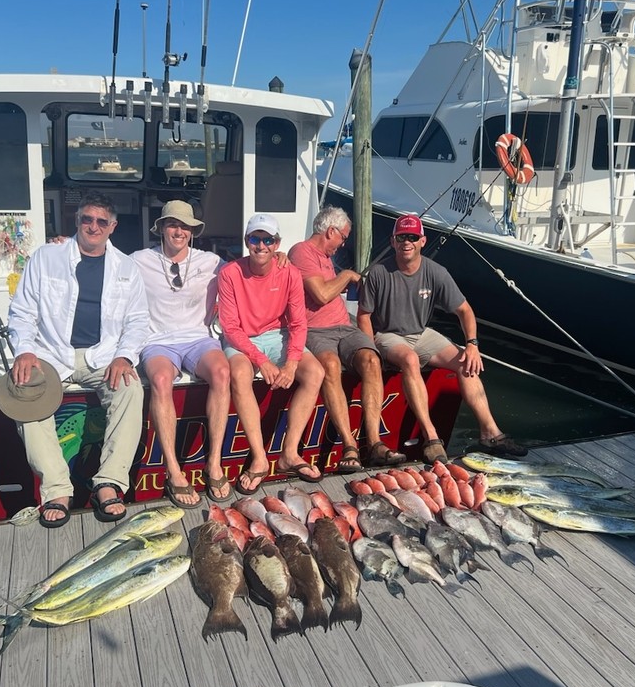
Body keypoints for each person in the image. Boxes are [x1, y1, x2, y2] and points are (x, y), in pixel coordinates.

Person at [0, 191, 150, 527]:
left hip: (103, 356)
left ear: (112, 226)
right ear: (77, 221)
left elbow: (138, 321)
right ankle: (56, 489)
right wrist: (24, 349)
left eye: (101, 221)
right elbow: (22, 311)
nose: (92, 227)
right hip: (51, 353)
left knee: (130, 389)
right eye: (86, 219)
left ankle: (109, 483)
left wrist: (125, 356)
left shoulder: (127, 267)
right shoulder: (46, 257)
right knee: (24, 391)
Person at [357, 214, 527, 463]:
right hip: (387, 334)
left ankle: (490, 432)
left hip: (420, 332)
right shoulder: (378, 272)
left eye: (412, 237)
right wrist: (370, 349)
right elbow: (364, 315)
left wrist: (472, 345)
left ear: (422, 241)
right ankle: (432, 437)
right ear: (393, 241)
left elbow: (465, 310)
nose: (407, 242)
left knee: (465, 362)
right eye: (401, 237)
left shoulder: (436, 272)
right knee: (410, 359)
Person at [288, 206, 407, 472]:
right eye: (342, 238)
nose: (342, 244)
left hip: (344, 326)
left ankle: (375, 443)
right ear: (330, 231)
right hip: (316, 330)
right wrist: (347, 275)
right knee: (329, 365)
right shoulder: (302, 251)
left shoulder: (326, 257)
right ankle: (349, 445)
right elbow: (320, 294)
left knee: (371, 360)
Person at [130, 200, 232, 509]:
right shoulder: (138, 260)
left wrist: (279, 259)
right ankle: (174, 471)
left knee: (222, 372)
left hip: (197, 338)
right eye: (173, 224)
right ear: (161, 227)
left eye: (185, 226)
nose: (179, 231)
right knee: (160, 379)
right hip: (158, 340)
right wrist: (61, 246)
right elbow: (101, 263)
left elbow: (250, 272)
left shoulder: (212, 262)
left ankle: (213, 464)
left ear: (193, 232)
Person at [218, 213, 326, 495]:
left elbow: (299, 322)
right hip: (242, 337)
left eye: (269, 239)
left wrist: (291, 363)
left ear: (277, 244)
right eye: (256, 238)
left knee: (315, 371)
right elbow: (230, 327)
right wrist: (261, 361)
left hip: (278, 335)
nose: (262, 245)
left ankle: (290, 453)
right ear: (247, 241)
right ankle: (259, 458)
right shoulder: (230, 273)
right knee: (240, 373)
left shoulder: (290, 272)